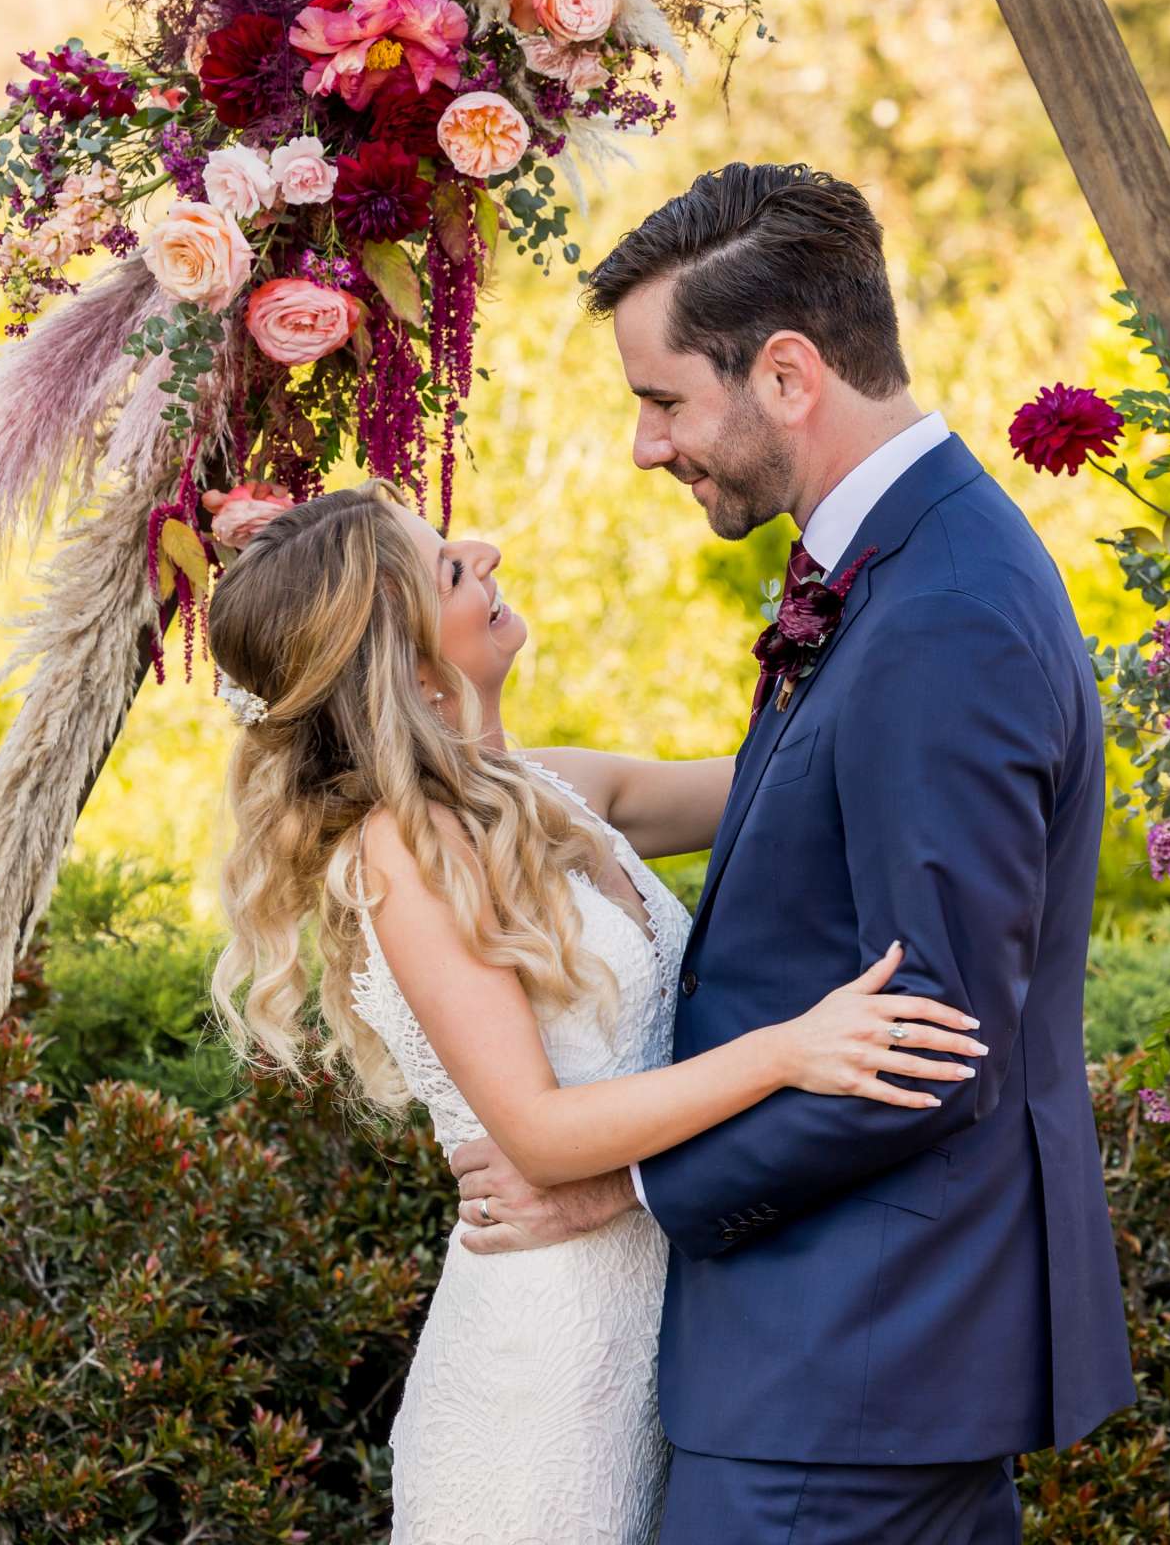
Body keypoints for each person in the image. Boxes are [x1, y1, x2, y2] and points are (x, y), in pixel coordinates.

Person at [451, 162, 1136, 1545]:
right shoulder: (893, 563)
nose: (647, 447)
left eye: (662, 400)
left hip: (849, 1373)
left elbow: (936, 1037)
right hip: (834, 1365)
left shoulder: (941, 608)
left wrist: (623, 1182)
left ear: (785, 373)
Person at [206, 474, 986, 1545]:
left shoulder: (559, 788)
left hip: (665, 1326)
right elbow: (537, 1130)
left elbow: (790, 780)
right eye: (447, 565)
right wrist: (788, 1052)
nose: (482, 549)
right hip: (545, 1374)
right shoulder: (405, 852)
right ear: (408, 664)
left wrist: (886, 616)